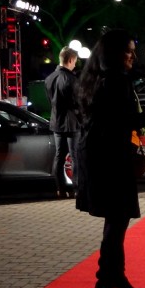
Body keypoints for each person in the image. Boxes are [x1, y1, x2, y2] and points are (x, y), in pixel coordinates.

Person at [74, 29, 145, 288]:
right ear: (114, 53)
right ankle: (104, 283)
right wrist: (143, 116)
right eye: (128, 50)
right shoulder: (116, 81)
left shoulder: (93, 79)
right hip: (111, 160)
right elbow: (120, 120)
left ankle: (115, 277)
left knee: (116, 221)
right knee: (116, 222)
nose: (133, 55)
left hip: (99, 158)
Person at [44, 45, 81, 198]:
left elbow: (50, 100)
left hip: (56, 122)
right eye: (75, 62)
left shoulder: (49, 78)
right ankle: (78, 188)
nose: (74, 65)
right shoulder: (71, 79)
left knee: (59, 156)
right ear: (71, 60)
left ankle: (60, 187)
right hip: (72, 123)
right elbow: (77, 103)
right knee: (75, 156)